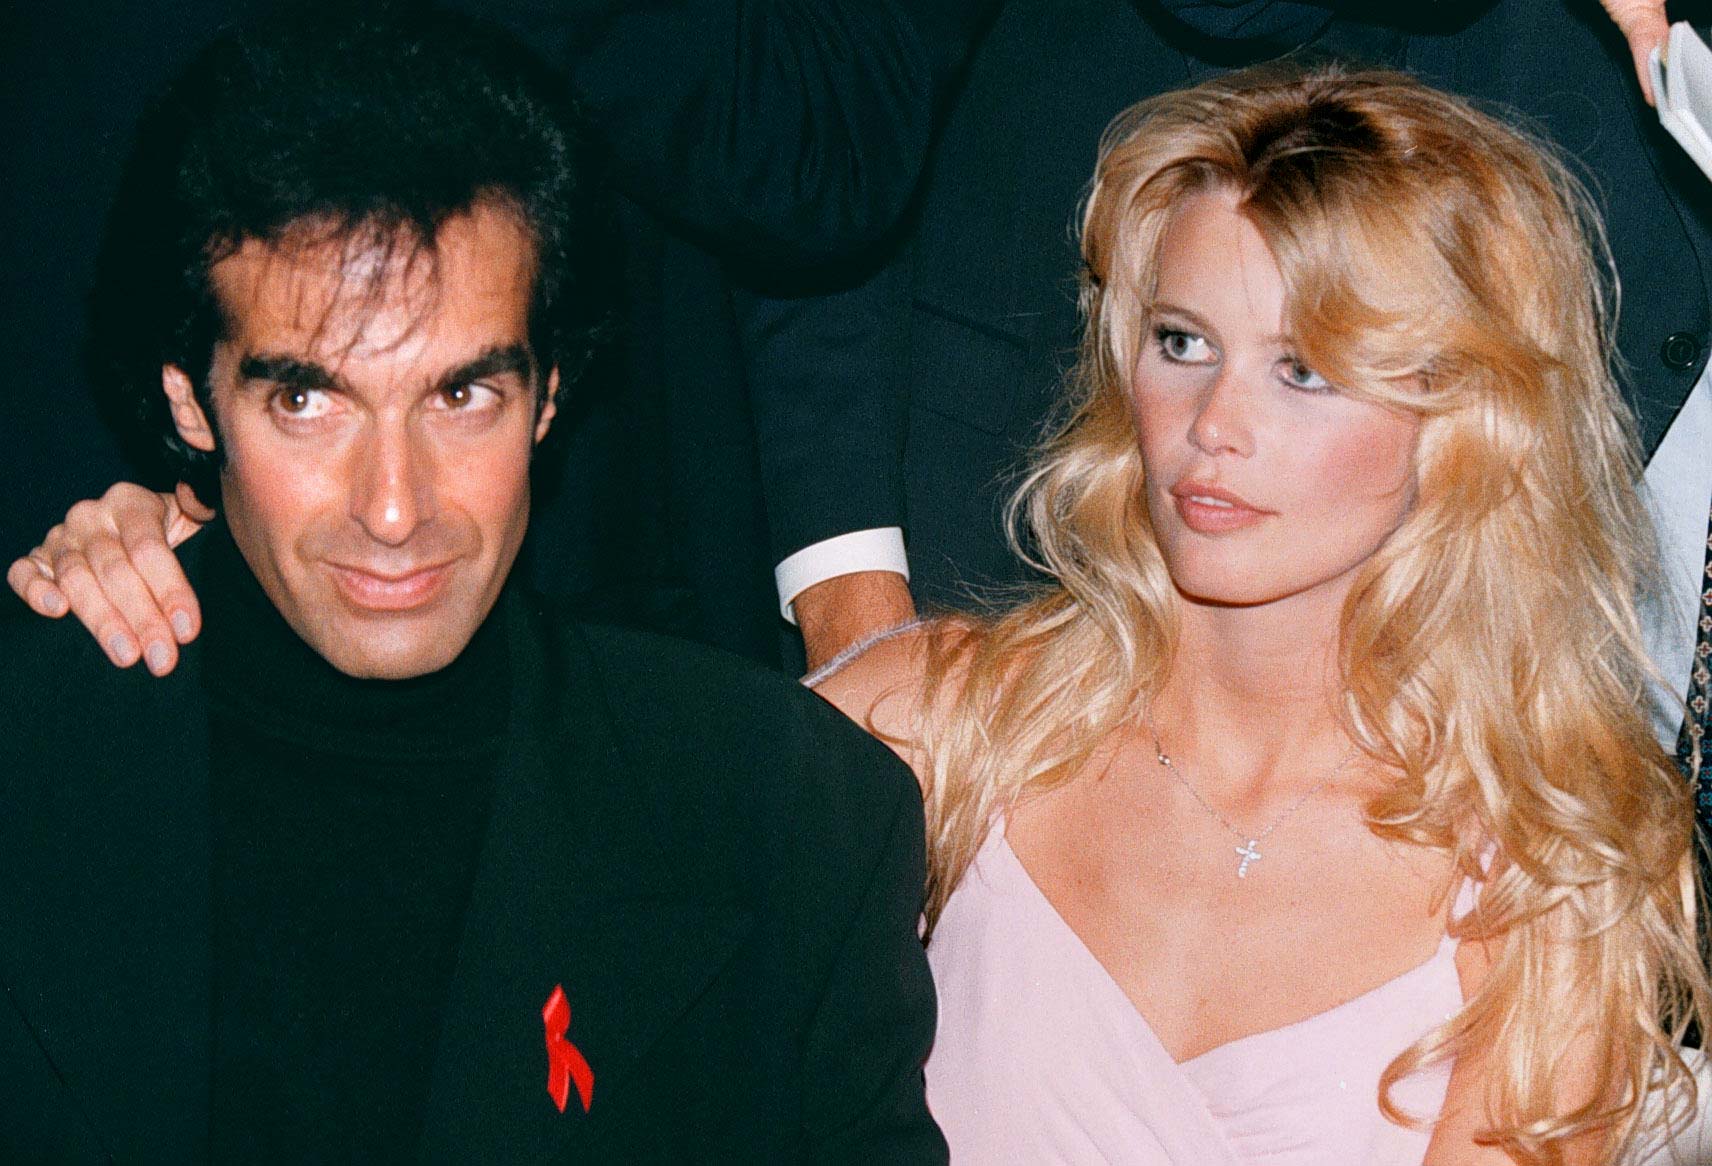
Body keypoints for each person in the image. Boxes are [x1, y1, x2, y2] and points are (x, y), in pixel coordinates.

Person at [0, 5, 940, 1162]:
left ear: (548, 396)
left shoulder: (788, 815)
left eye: (460, 395)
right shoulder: (35, 749)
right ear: (192, 405)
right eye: (308, 400)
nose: (395, 507)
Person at [811, 66, 1710, 1162]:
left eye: (1304, 369)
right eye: (1182, 341)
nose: (1212, 424)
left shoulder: (1546, 873)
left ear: (1466, 420)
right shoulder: (933, 721)